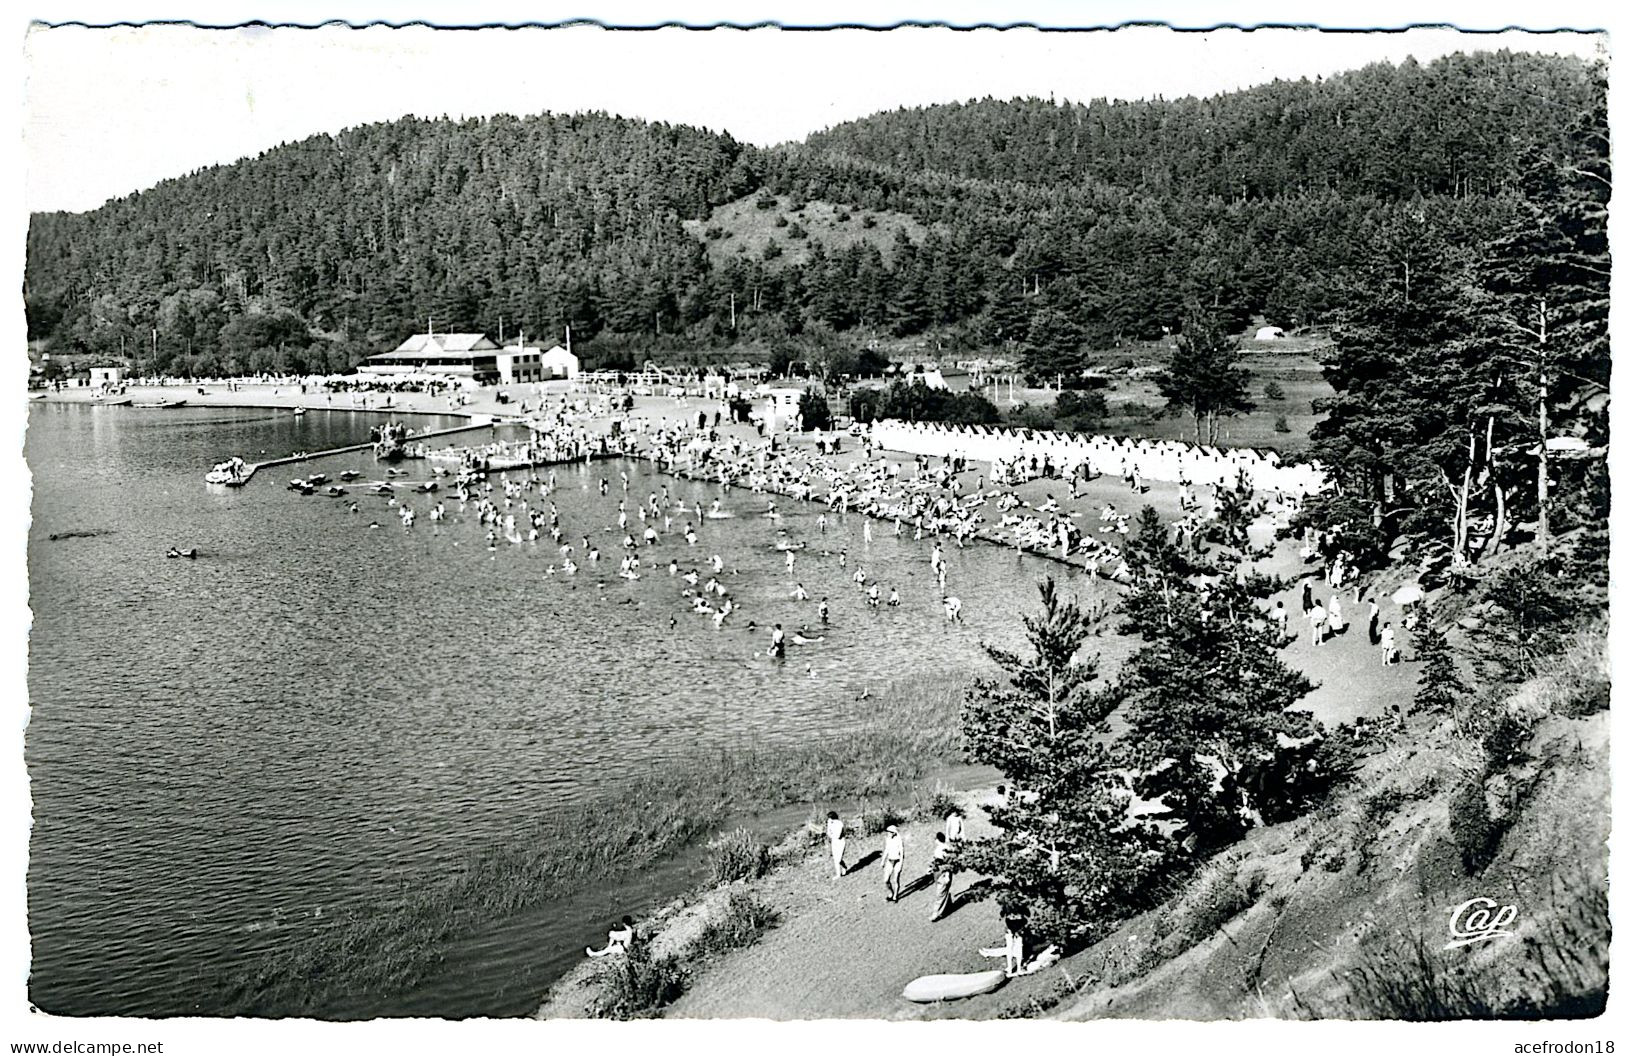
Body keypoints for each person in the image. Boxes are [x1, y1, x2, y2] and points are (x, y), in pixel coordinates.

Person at [929, 832, 954, 922]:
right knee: (942, 891)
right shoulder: (940, 848)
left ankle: (935, 914)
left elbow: (948, 863)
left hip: (943, 873)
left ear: (938, 839)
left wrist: (947, 875)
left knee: (940, 894)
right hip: (938, 873)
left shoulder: (944, 849)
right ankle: (948, 905)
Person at [882, 825, 905, 902]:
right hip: (890, 860)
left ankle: (895, 896)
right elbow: (886, 849)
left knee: (896, 879)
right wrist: (883, 860)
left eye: (889, 832)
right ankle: (891, 893)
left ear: (893, 833)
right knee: (886, 880)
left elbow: (902, 853)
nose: (888, 833)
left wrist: (901, 863)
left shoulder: (899, 840)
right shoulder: (888, 839)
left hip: (897, 861)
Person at [826, 811, 847, 878]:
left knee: (839, 859)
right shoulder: (830, 824)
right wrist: (829, 827)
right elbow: (828, 833)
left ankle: (844, 867)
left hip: (840, 842)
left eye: (829, 818)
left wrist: (832, 834)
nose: (828, 820)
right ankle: (838, 874)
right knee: (836, 859)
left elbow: (838, 835)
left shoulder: (839, 824)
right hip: (834, 842)